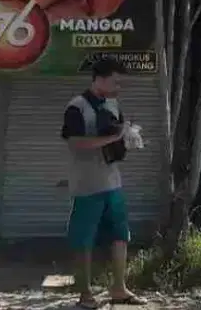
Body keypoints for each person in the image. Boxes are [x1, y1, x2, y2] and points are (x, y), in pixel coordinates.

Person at [61, 56, 145, 308]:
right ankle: (85, 295)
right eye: (115, 82)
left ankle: (119, 288)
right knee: (83, 238)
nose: (118, 87)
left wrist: (128, 139)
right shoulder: (76, 106)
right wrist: (112, 139)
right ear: (99, 79)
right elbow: (75, 143)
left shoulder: (113, 105)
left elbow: (117, 135)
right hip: (87, 184)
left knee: (120, 235)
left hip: (113, 181)